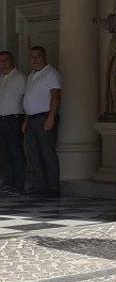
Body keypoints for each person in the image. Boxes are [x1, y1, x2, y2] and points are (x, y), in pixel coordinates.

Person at [22, 46, 61, 196]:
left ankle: (53, 187)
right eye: (31, 57)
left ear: (44, 57)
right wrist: (26, 119)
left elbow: (56, 98)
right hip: (31, 119)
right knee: (33, 154)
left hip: (44, 117)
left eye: (37, 56)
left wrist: (51, 118)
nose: (34, 60)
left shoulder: (51, 73)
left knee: (47, 153)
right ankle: (40, 186)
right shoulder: (31, 75)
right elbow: (29, 98)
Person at [0, 51, 26, 194]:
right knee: (5, 153)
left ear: (12, 60)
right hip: (2, 119)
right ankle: (9, 182)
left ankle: (19, 184)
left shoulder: (20, 77)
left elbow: (26, 98)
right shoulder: (2, 78)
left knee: (16, 152)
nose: (3, 63)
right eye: (1, 61)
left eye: (6, 60)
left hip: (14, 119)